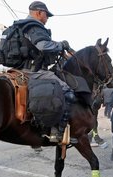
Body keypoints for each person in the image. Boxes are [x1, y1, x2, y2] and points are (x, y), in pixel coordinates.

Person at [18, 1, 75, 142]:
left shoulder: (20, 26)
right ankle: (58, 132)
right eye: (46, 15)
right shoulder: (34, 26)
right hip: (34, 71)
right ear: (38, 12)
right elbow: (43, 46)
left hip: (18, 69)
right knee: (68, 93)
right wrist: (61, 45)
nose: (47, 18)